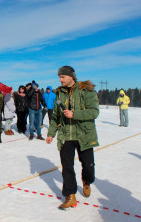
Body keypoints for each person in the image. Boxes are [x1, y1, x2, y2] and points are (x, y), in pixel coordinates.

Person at [46, 66, 99, 210]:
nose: (60, 80)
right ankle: (70, 195)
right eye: (59, 77)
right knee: (67, 167)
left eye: (62, 77)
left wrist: (74, 114)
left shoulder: (86, 90)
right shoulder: (59, 94)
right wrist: (51, 133)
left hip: (84, 135)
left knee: (88, 166)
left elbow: (94, 112)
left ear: (71, 77)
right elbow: (56, 116)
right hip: (66, 135)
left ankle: (87, 181)